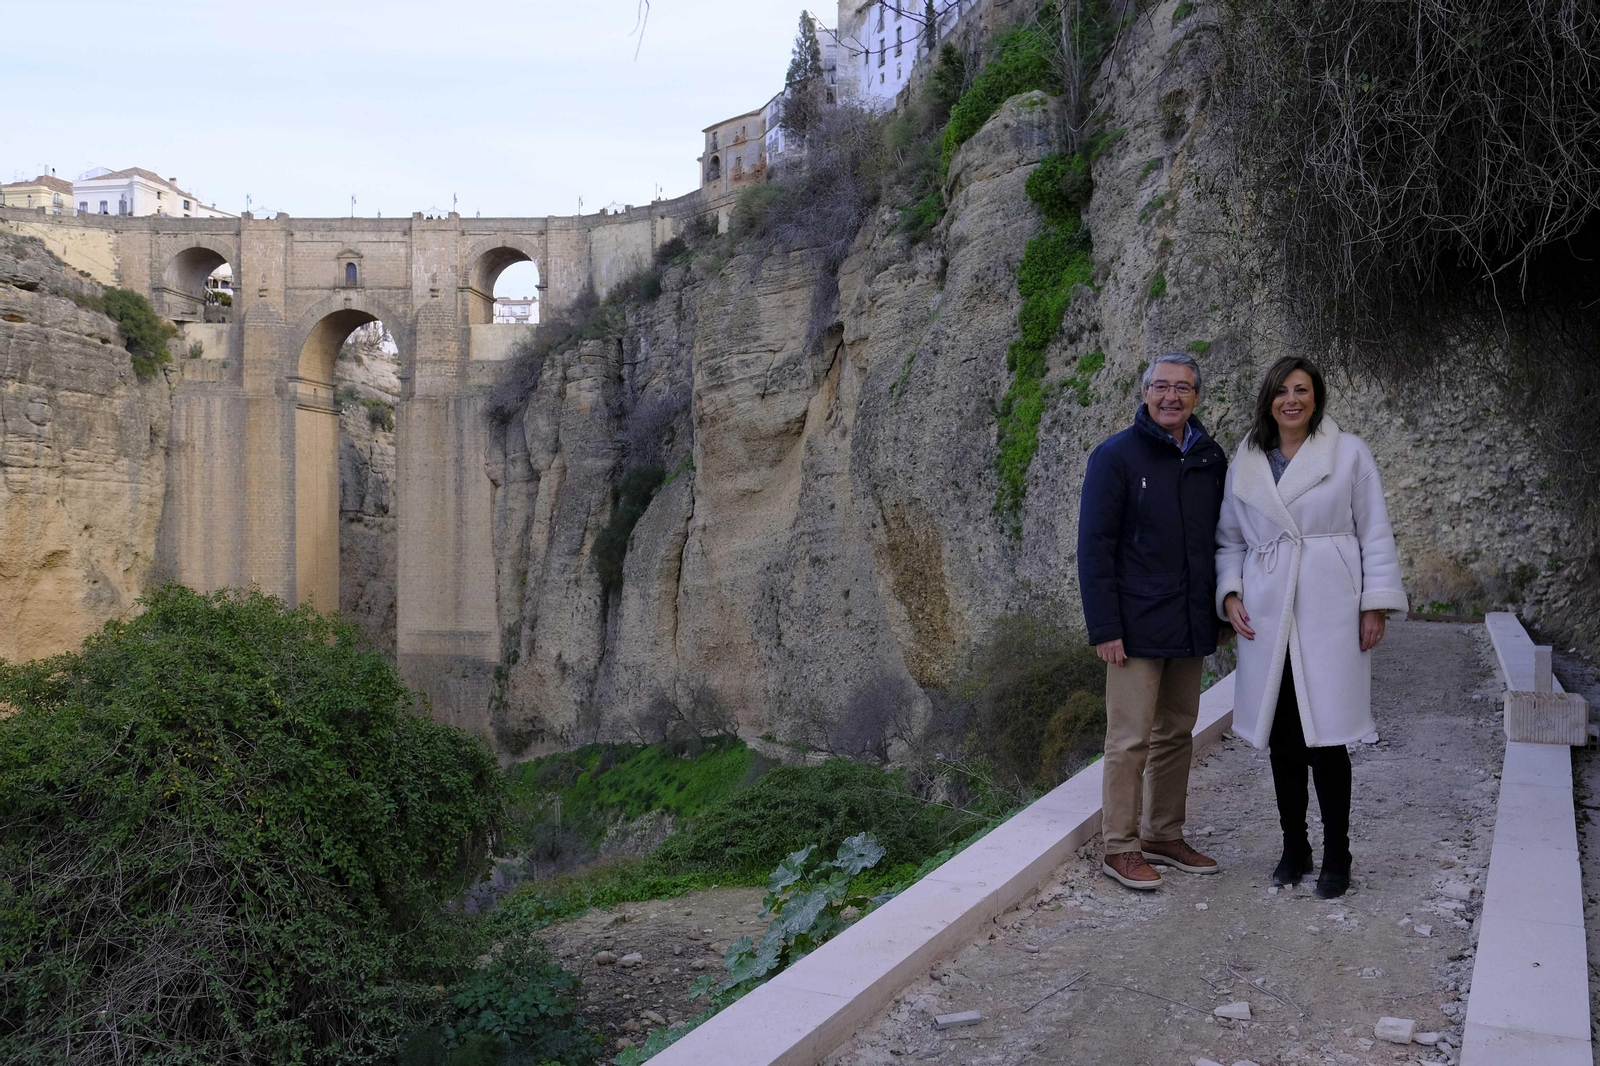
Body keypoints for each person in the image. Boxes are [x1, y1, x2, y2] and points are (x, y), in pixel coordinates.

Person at [1215, 356, 1408, 899]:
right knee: (1282, 740)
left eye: (1301, 390)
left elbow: (1375, 532)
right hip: (1268, 608)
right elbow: (1229, 537)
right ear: (1269, 400)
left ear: (1316, 397)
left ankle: (1338, 852)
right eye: (1281, 391)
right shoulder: (1248, 458)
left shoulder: (1348, 453)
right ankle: (1293, 846)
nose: (1291, 401)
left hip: (1329, 606)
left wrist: (1375, 604)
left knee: (1326, 737)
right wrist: (1229, 591)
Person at [1078, 352, 1228, 891]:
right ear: (1144, 393)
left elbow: (1220, 541)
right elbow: (1094, 547)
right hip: (1134, 627)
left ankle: (1164, 833)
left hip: (1190, 621)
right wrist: (1105, 628)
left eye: (1183, 388)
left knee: (1176, 734)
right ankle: (1120, 847)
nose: (1172, 396)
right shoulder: (1115, 456)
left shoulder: (1210, 458)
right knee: (1129, 740)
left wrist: (1219, 613)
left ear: (1196, 396)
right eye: (1161, 386)